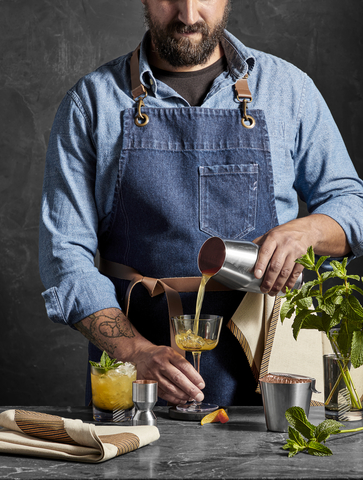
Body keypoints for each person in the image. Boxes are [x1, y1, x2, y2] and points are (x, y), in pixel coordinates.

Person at [39, 0, 363, 407]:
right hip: (139, 387)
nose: (188, 16)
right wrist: (134, 352)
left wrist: (309, 230)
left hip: (272, 382)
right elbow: (64, 256)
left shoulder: (288, 90)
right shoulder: (91, 104)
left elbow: (352, 204)